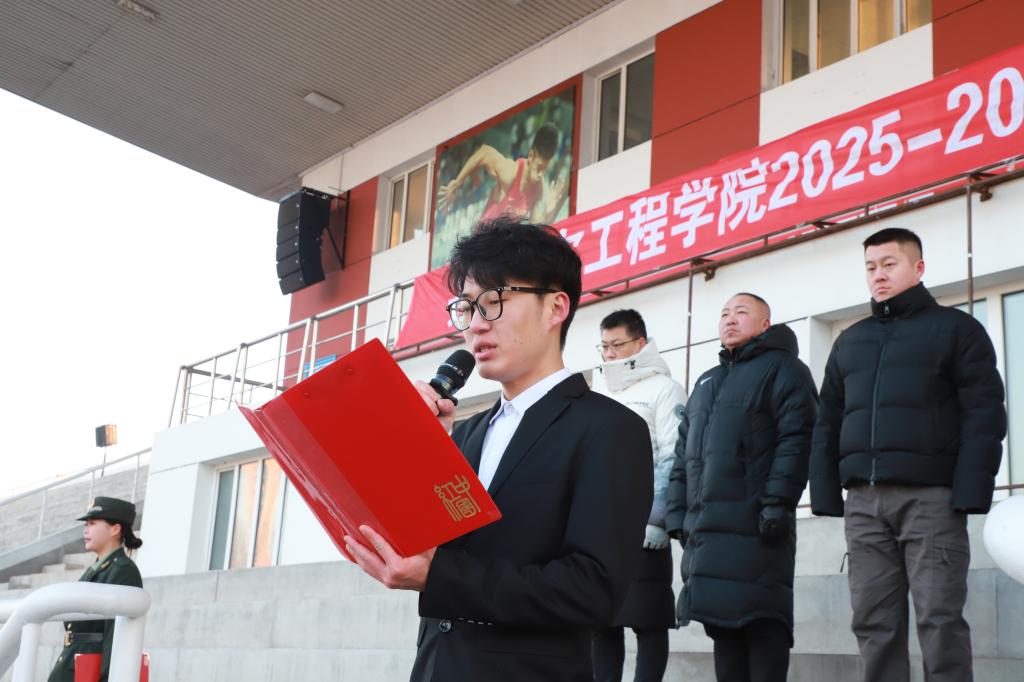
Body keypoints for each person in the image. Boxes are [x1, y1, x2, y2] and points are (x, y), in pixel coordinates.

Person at [343, 216, 654, 681]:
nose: (474, 326)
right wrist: (420, 452)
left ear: (555, 307)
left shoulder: (611, 429)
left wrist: (439, 577)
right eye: (466, 308)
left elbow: (592, 591)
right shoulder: (465, 434)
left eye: (493, 302)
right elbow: (432, 546)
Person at [809, 227, 1006, 682]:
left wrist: (970, 490)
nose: (878, 275)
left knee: (939, 616)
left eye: (889, 264)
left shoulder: (957, 330)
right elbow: (828, 421)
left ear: (918, 268)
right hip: (863, 502)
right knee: (872, 620)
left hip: (931, 498)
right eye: (870, 267)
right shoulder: (850, 340)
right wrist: (826, 493)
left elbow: (984, 412)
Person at [666, 293, 817, 682]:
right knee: (724, 632)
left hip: (758, 527)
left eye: (741, 312)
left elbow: (797, 440)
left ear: (766, 324)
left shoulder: (785, 370)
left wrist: (777, 503)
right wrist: (677, 513)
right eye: (724, 313)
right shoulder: (707, 382)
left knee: (762, 626)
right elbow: (684, 454)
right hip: (709, 534)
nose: (730, 320)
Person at [590, 309, 685, 682]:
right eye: (604, 346)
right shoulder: (598, 390)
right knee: (601, 623)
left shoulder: (665, 388)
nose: (609, 353)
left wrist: (657, 519)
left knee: (648, 620)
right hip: (599, 528)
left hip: (643, 526)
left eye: (617, 344)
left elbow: (672, 456)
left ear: (640, 343)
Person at [48, 497, 144, 682]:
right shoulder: (98, 568)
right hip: (73, 664)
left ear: (115, 529)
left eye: (92, 523)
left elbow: (116, 636)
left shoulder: (123, 571)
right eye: (85, 524)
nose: (85, 529)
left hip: (90, 671)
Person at [436, 122, 569, 225]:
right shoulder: (511, 172)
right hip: (483, 241)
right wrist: (457, 183)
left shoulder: (538, 189)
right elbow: (484, 152)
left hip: (504, 248)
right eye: (539, 167)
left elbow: (537, 230)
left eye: (545, 169)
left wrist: (550, 213)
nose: (541, 174)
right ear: (530, 155)